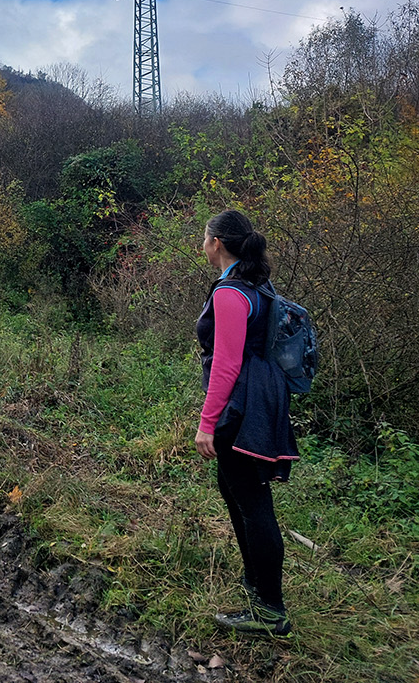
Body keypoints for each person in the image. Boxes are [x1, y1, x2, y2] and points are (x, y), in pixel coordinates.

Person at [195, 209, 298, 637]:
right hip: (263, 395)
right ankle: (256, 584)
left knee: (252, 502)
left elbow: (226, 365)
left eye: (204, 237)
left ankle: (270, 611)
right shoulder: (257, 284)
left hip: (243, 405)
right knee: (235, 489)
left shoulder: (230, 293)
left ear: (216, 243)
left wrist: (207, 423)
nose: (202, 244)